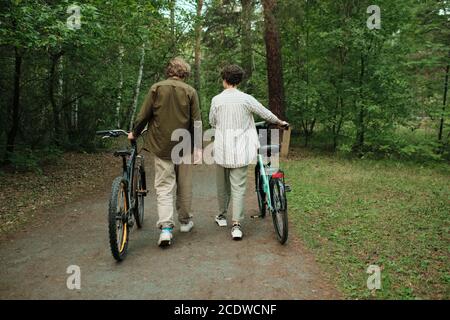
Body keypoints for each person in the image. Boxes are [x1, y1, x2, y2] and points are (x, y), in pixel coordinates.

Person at [209, 65, 288, 240]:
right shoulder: (246, 99)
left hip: (222, 150)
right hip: (241, 151)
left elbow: (212, 122)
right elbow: (265, 113)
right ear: (239, 81)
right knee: (238, 188)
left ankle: (221, 216)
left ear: (224, 80)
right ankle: (236, 225)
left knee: (222, 186)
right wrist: (279, 121)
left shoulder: (216, 100)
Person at [128, 57, 201, 247]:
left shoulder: (156, 88)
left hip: (161, 146)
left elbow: (144, 115)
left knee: (164, 186)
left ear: (169, 71)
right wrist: (198, 148)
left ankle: (166, 229)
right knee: (184, 185)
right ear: (184, 73)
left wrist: (134, 133)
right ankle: (185, 222)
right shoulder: (190, 91)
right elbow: (197, 122)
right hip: (183, 146)